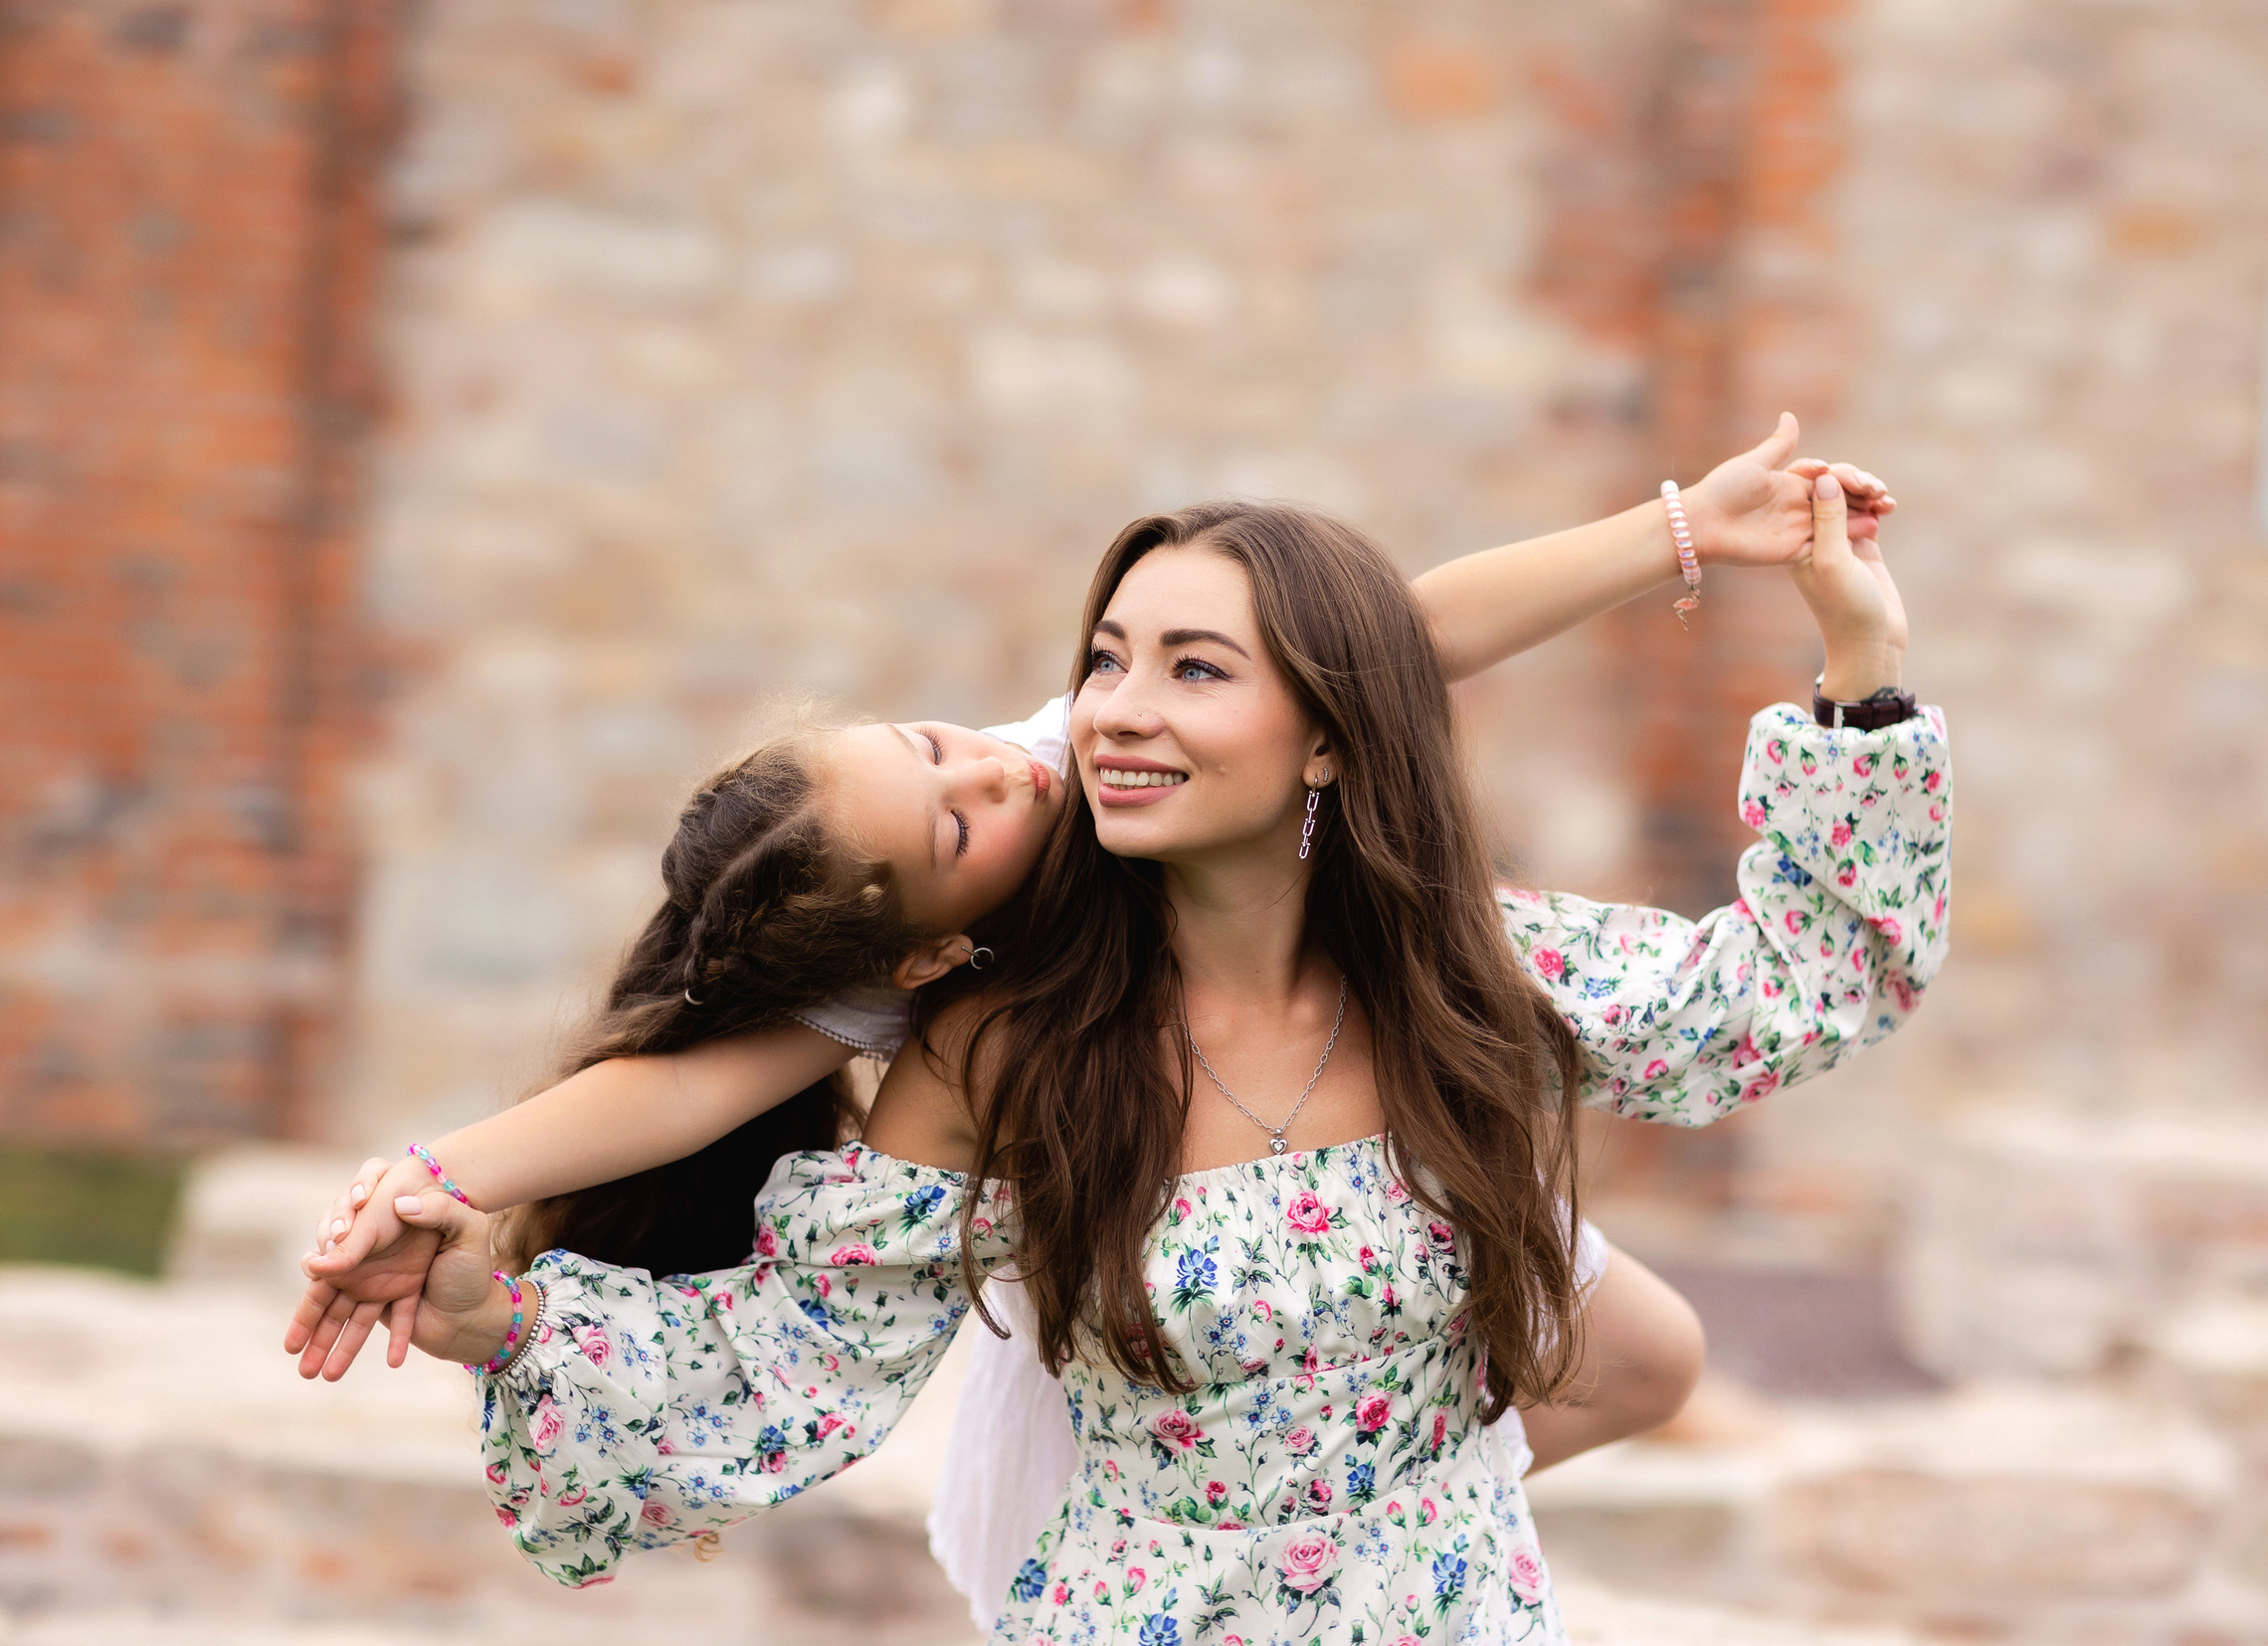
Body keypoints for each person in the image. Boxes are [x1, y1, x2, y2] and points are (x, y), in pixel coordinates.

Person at [286, 428, 1892, 1607]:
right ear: (926, 939)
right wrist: (447, 1196)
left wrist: (1748, 572)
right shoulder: (976, 1006)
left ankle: (1365, 1502)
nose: (1060, 741)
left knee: (1645, 1356)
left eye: (1186, 670)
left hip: (1433, 1547)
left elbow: (1398, 640)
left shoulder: (1121, 784)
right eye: (1111, 666)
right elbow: (693, 1096)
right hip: (1120, 1337)